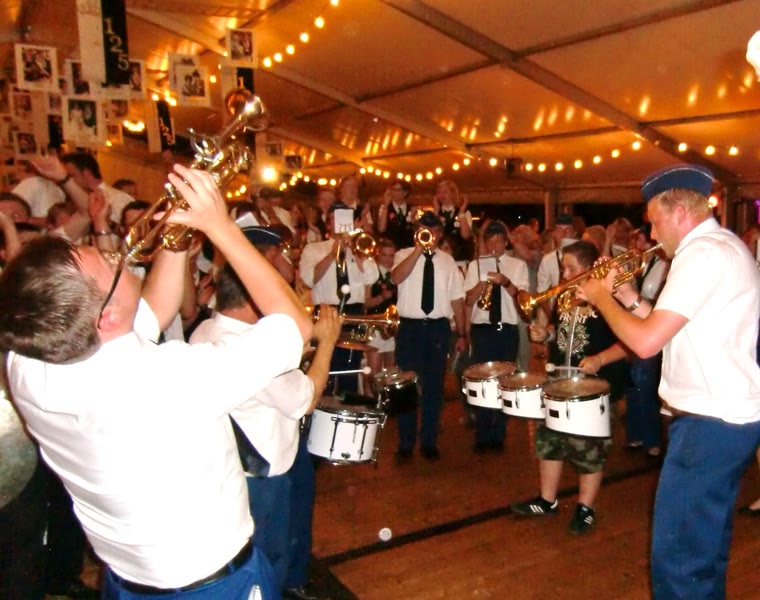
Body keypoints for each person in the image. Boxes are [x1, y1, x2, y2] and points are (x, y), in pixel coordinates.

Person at [0, 165, 313, 598]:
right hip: (211, 586)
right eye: (110, 265)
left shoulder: (30, 360)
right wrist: (222, 228)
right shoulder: (167, 381)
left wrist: (177, 232)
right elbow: (296, 327)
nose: (119, 257)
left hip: (128, 581)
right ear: (108, 317)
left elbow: (155, 307)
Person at [578, 164, 760, 598]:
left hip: (709, 425)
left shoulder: (701, 254)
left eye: (655, 220)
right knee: (702, 555)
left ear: (679, 212)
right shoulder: (722, 246)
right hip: (727, 421)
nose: (652, 231)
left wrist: (601, 298)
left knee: (678, 561)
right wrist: (627, 297)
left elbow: (644, 344)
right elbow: (668, 332)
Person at [190, 226, 341, 600]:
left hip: (230, 466)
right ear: (251, 300)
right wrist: (326, 344)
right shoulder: (253, 348)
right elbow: (304, 399)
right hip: (264, 474)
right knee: (269, 559)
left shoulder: (203, 330)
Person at [511, 240, 628, 534]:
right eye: (563, 267)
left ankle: (585, 508)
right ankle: (546, 500)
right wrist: (546, 335)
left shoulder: (609, 296)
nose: (564, 274)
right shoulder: (564, 295)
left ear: (589, 267)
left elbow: (629, 342)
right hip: (559, 381)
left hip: (592, 387)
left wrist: (600, 359)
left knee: (589, 448)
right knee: (549, 440)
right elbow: (559, 331)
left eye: (571, 268)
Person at [391, 211, 466, 462]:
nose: (428, 235)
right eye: (423, 229)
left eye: (433, 231)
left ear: (440, 234)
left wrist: (462, 333)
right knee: (406, 385)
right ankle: (405, 443)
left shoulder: (448, 261)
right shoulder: (403, 254)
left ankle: (429, 441)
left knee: (434, 387)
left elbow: (457, 300)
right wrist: (417, 250)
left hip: (437, 328)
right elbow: (396, 277)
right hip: (410, 328)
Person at [299, 201, 379, 394]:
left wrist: (356, 252)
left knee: (350, 368)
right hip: (326, 311)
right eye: (335, 218)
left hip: (353, 311)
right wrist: (333, 253)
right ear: (328, 222)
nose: (341, 223)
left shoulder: (360, 247)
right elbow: (309, 279)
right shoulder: (314, 249)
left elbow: (372, 277)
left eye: (345, 218)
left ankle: (347, 405)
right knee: (324, 366)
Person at [464, 220, 529, 452]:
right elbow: (469, 300)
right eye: (489, 242)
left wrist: (505, 281)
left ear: (505, 242)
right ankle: (482, 435)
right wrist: (483, 281)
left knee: (504, 381)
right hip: (482, 330)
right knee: (482, 382)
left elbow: (522, 298)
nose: (494, 246)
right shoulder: (475, 266)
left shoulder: (517, 265)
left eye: (498, 241)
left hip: (506, 329)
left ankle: (499, 434)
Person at [624, 224, 669, 458]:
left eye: (642, 241)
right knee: (634, 382)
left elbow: (655, 298)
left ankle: (652, 439)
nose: (638, 246)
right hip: (635, 324)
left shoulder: (664, 264)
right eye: (637, 241)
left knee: (644, 381)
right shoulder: (639, 264)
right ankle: (636, 434)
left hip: (651, 324)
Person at [376, 180, 415, 249]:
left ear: (405, 192)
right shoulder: (384, 208)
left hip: (408, 248)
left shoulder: (412, 209)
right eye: (393, 190)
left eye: (397, 190)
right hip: (390, 249)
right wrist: (386, 206)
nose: (394, 193)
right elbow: (381, 229)